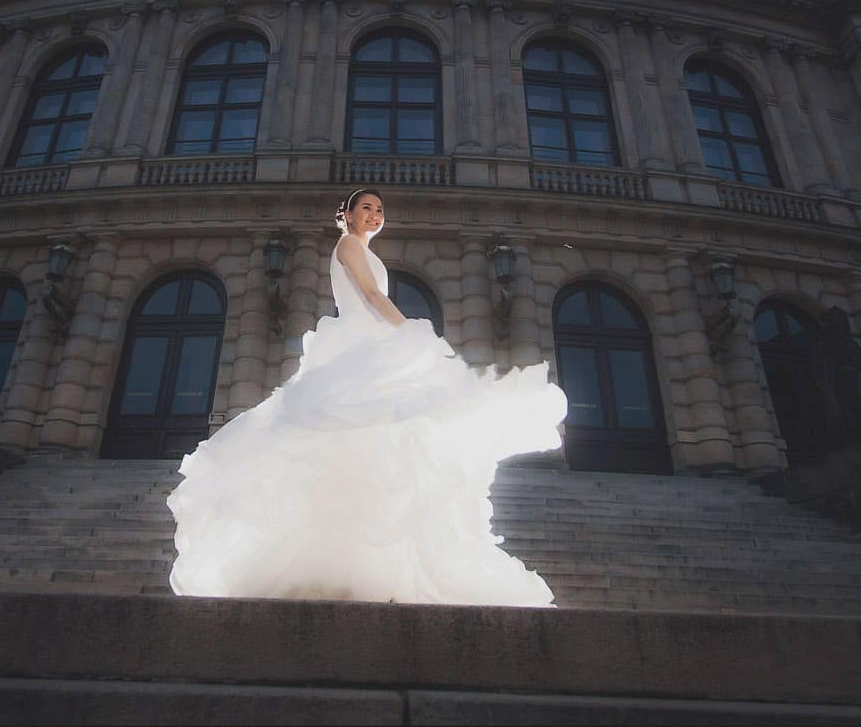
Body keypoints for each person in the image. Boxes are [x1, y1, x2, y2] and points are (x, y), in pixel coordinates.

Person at [167, 188, 568, 606]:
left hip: (369, 347)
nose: (375, 215)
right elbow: (372, 296)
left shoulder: (360, 247)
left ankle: (381, 562)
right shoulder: (347, 246)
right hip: (360, 348)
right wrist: (412, 330)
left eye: (379, 209)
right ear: (348, 214)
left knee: (389, 452)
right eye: (366, 208)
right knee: (360, 446)